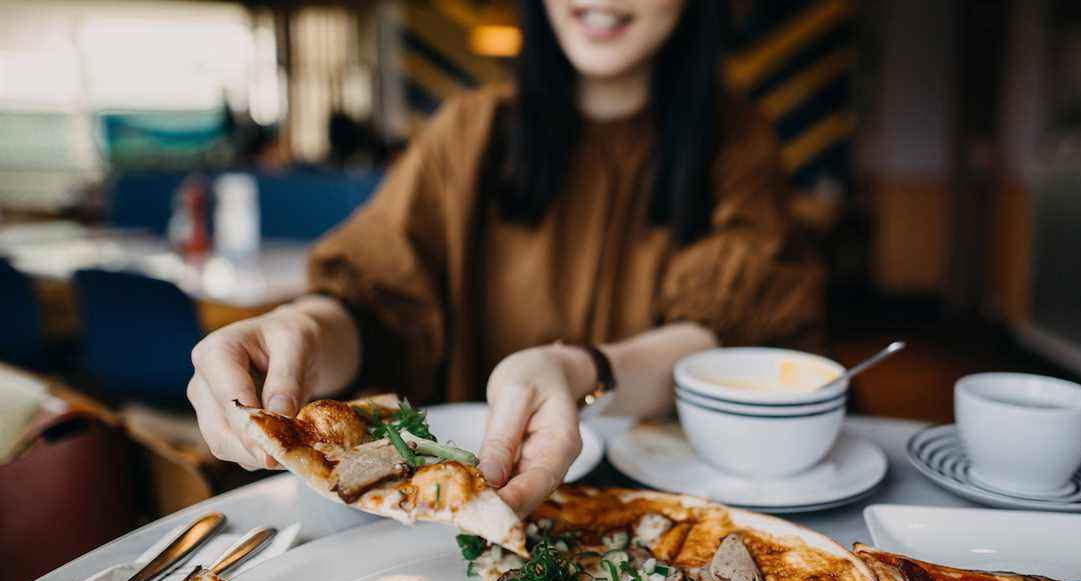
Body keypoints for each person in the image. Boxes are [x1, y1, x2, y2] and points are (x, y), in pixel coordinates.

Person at [187, 0, 824, 517]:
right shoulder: (469, 133)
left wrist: (583, 370)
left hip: (665, 513)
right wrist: (302, 331)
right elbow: (377, 307)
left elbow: (726, 337)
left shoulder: (737, 144)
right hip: (457, 519)